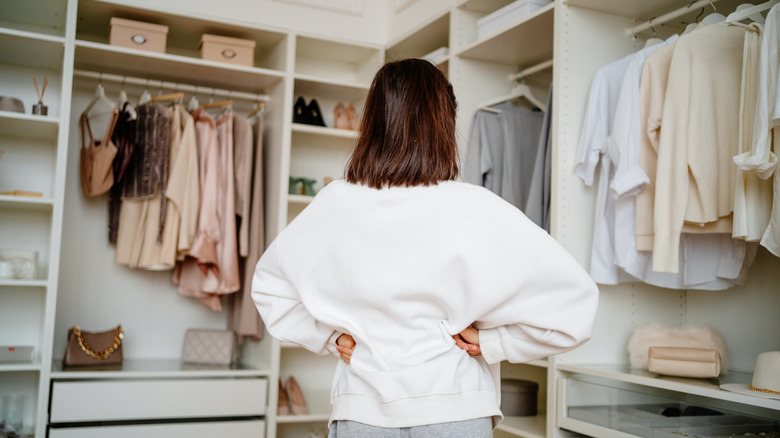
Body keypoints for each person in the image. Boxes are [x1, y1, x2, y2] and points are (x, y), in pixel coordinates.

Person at [252, 58, 599, 437]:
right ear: (444, 124)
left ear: (373, 121)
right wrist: (494, 342)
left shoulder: (333, 203)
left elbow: (269, 290)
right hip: (456, 407)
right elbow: (576, 307)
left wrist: (331, 338)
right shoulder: (478, 207)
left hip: (363, 411)